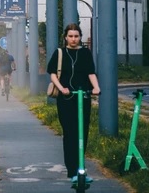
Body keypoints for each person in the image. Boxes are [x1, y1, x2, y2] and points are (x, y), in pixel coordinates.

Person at [46, 23, 101, 180]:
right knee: (70, 134)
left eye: (76, 36)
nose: (73, 39)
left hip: (82, 96)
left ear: (80, 37)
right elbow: (53, 74)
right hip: (66, 99)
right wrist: (62, 88)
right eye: (70, 36)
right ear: (65, 37)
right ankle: (72, 171)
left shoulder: (85, 53)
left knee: (82, 133)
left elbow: (91, 73)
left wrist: (96, 88)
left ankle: (81, 168)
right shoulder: (60, 53)